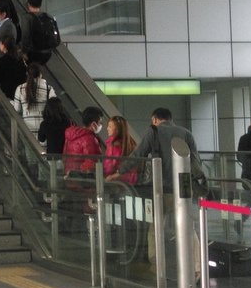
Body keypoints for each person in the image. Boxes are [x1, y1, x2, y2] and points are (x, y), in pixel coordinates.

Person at [110, 107, 201, 277]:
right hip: (183, 189)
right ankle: (197, 267)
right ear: (170, 118)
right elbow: (196, 161)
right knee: (188, 228)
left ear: (155, 119)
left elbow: (139, 154)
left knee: (156, 227)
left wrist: (119, 172)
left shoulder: (153, 132)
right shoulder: (186, 133)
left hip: (161, 189)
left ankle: (157, 264)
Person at [12, 63, 56, 134]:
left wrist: (11, 102)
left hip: (27, 127)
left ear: (27, 74)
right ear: (40, 74)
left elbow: (16, 110)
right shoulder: (49, 88)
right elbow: (55, 108)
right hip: (44, 128)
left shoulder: (20, 88)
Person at [63, 106, 104, 178]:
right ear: (94, 124)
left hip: (70, 177)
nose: (101, 125)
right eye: (100, 123)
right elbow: (92, 163)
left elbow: (65, 156)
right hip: (83, 182)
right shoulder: (90, 139)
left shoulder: (71, 135)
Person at [21, 0, 58, 64]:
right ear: (40, 5)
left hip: (33, 53)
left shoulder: (27, 17)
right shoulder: (48, 16)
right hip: (47, 53)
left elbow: (25, 35)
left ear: (28, 4)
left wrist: (24, 52)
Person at [103, 116, 138, 185]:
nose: (107, 129)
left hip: (115, 182)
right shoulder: (130, 143)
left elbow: (109, 167)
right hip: (129, 182)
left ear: (117, 130)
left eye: (110, 126)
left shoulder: (114, 145)